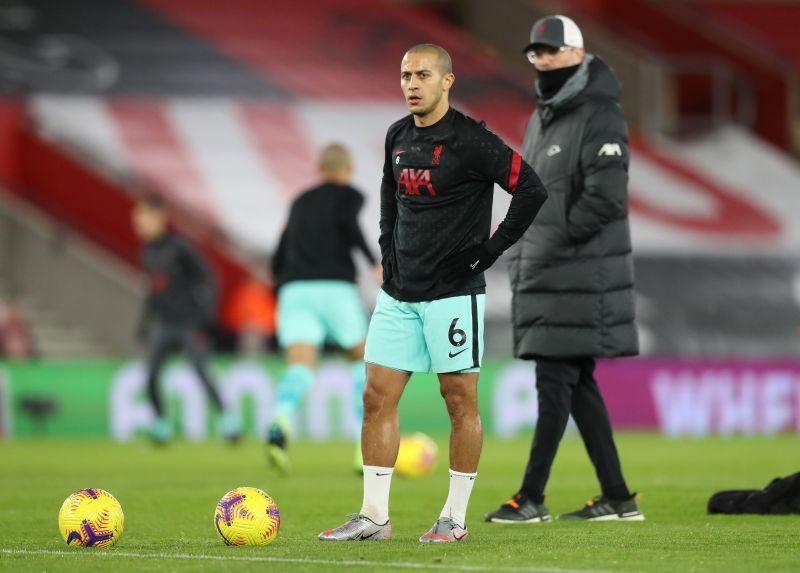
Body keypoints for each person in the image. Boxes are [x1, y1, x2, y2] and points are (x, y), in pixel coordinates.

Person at [319, 44, 548, 543]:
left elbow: (532, 189)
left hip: (452, 293)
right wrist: (387, 253)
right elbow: (388, 199)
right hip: (400, 292)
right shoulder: (397, 136)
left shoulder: (472, 140)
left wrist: (489, 253)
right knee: (376, 395)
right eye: (405, 75)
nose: (411, 84)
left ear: (447, 81)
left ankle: (454, 517)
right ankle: (373, 517)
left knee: (458, 399)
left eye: (422, 74)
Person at [484, 15, 643, 524]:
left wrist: (548, 241)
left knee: (556, 383)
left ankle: (530, 497)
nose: (543, 60)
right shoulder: (544, 117)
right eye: (536, 52)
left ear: (577, 54)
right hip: (551, 275)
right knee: (576, 387)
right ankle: (618, 498)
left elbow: (606, 200)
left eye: (552, 51)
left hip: (576, 275)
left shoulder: (600, 114)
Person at [266, 143, 382, 474]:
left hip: (295, 289)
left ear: (320, 168)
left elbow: (283, 244)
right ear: (347, 169)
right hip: (334, 287)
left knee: (300, 366)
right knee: (361, 363)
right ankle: (364, 450)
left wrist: (278, 278)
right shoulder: (349, 196)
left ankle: (281, 417)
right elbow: (349, 225)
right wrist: (373, 262)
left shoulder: (299, 201)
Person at [132, 195, 240, 443]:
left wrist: (206, 314)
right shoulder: (147, 252)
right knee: (151, 375)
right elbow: (154, 291)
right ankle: (161, 425)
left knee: (201, 371)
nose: (138, 224)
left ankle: (228, 422)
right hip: (166, 324)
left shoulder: (179, 248)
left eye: (142, 218)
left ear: (159, 218)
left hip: (189, 323)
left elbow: (210, 277)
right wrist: (144, 323)